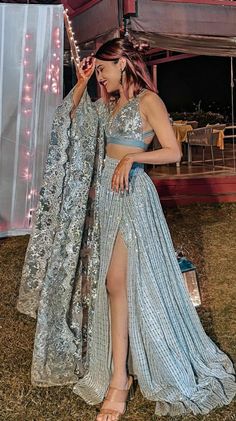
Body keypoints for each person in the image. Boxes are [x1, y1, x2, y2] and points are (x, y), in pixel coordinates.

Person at [17, 38, 236, 421]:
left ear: (122, 63)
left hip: (132, 192)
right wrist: (83, 81)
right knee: (113, 283)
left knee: (115, 281)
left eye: (103, 68)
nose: (101, 77)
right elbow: (68, 121)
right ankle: (122, 367)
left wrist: (133, 157)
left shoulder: (149, 101)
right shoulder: (110, 106)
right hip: (106, 193)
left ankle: (119, 378)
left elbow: (172, 151)